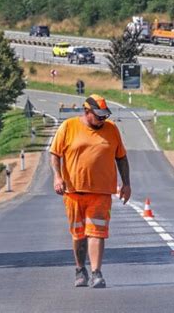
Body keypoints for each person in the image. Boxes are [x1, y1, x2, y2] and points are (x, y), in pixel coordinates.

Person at [50, 94, 131, 289]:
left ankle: (96, 273)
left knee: (97, 233)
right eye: (99, 116)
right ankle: (80, 269)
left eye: (105, 116)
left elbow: (121, 157)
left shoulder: (112, 130)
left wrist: (126, 183)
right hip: (74, 191)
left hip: (101, 193)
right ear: (87, 112)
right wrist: (57, 176)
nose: (103, 120)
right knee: (79, 235)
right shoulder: (68, 127)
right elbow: (55, 154)